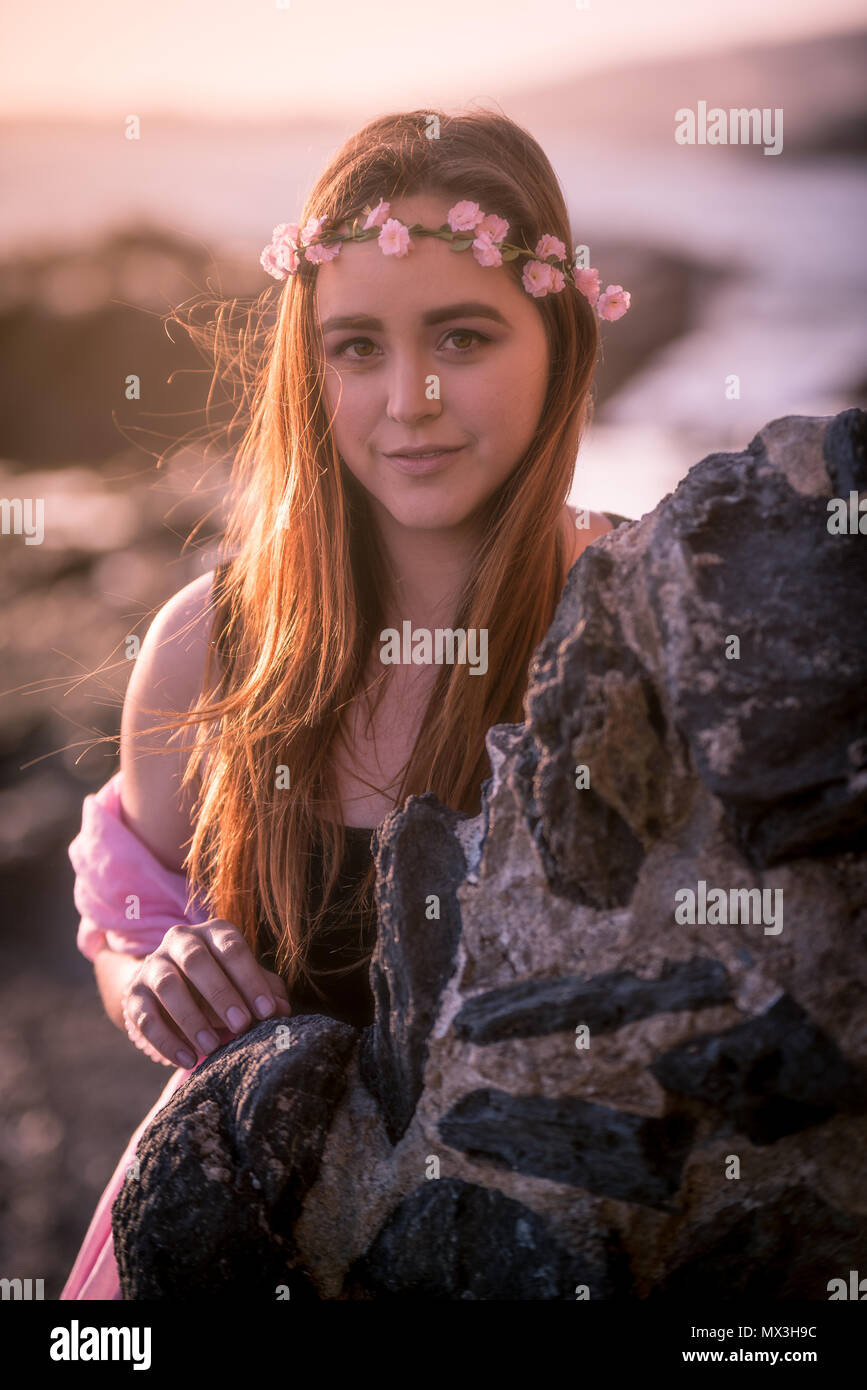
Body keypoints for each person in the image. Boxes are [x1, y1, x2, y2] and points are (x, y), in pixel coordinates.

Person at [60, 106, 631, 1299]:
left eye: (463, 336)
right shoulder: (212, 649)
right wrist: (159, 980)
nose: (408, 396)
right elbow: (125, 925)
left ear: (561, 339)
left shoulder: (638, 621)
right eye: (357, 345)